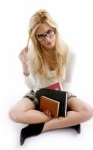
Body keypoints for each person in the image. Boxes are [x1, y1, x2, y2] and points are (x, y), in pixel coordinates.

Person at [9, 9, 93, 145]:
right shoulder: (32, 55)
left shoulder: (69, 52)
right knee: (14, 114)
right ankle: (66, 121)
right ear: (35, 37)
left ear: (55, 29)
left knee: (88, 111)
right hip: (38, 93)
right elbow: (33, 86)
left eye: (49, 32)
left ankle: (40, 127)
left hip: (61, 92)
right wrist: (25, 67)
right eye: (41, 36)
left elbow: (68, 80)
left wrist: (59, 102)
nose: (47, 39)